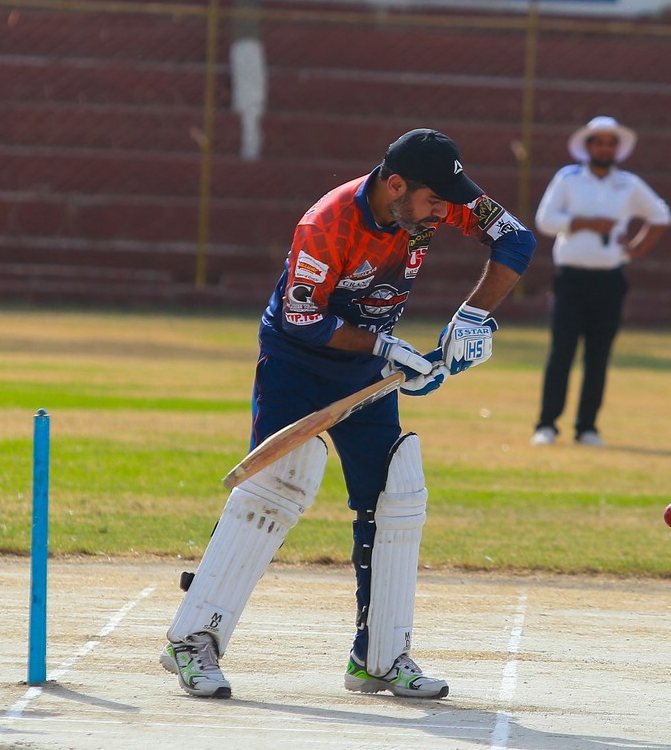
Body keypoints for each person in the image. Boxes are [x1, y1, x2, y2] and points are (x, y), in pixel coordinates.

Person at [158, 129, 536, 699]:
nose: (443, 214)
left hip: (366, 369)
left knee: (393, 497)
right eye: (434, 202)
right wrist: (387, 347)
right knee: (272, 489)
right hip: (296, 362)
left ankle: (377, 658)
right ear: (396, 185)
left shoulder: (438, 201)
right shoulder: (326, 223)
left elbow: (515, 239)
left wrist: (473, 316)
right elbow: (302, 320)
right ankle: (193, 641)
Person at [531, 116, 671, 447]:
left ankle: (587, 428)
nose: (605, 149)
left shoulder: (628, 184)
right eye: (599, 143)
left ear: (617, 149)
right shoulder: (568, 178)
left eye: (611, 144)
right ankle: (547, 425)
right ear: (588, 146)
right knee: (561, 352)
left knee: (598, 356)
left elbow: (661, 216)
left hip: (609, 280)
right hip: (571, 279)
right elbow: (545, 220)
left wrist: (635, 249)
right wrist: (585, 223)